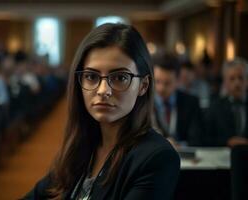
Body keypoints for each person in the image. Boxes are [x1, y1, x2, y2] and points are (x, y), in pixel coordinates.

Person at [22, 23, 180, 200]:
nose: (103, 90)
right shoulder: (82, 145)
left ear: (143, 85)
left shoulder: (157, 157)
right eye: (91, 76)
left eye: (120, 77)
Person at [153, 54, 204, 147]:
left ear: (177, 81)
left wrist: (179, 145)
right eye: (157, 81)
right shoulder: (145, 102)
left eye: (167, 83)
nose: (161, 88)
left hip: (184, 155)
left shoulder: (191, 102)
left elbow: (197, 138)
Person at [206, 58, 248, 147]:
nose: (237, 83)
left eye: (241, 78)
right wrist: (227, 142)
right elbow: (206, 138)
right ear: (225, 82)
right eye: (232, 79)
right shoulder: (215, 107)